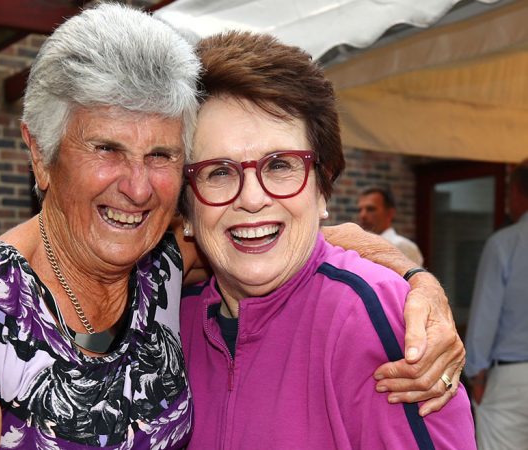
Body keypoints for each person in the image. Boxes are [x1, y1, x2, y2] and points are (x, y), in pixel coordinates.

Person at [0, 5, 463, 449]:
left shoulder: (159, 264)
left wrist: (414, 284)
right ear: (40, 155)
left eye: (160, 155)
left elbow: (273, 235)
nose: (136, 187)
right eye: (106, 147)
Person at [179, 31, 474, 448]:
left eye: (280, 164)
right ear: (187, 207)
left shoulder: (380, 321)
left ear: (322, 188)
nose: (251, 198)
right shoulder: (169, 323)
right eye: (219, 171)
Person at [464, 159, 528, 449]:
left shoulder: (506, 243)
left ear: (518, 192)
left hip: (512, 378)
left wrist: (476, 375)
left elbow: (484, 317)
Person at [357, 187, 424, 266]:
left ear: (390, 213)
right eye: (360, 210)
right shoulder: (358, 247)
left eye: (371, 209)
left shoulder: (403, 246)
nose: (363, 215)